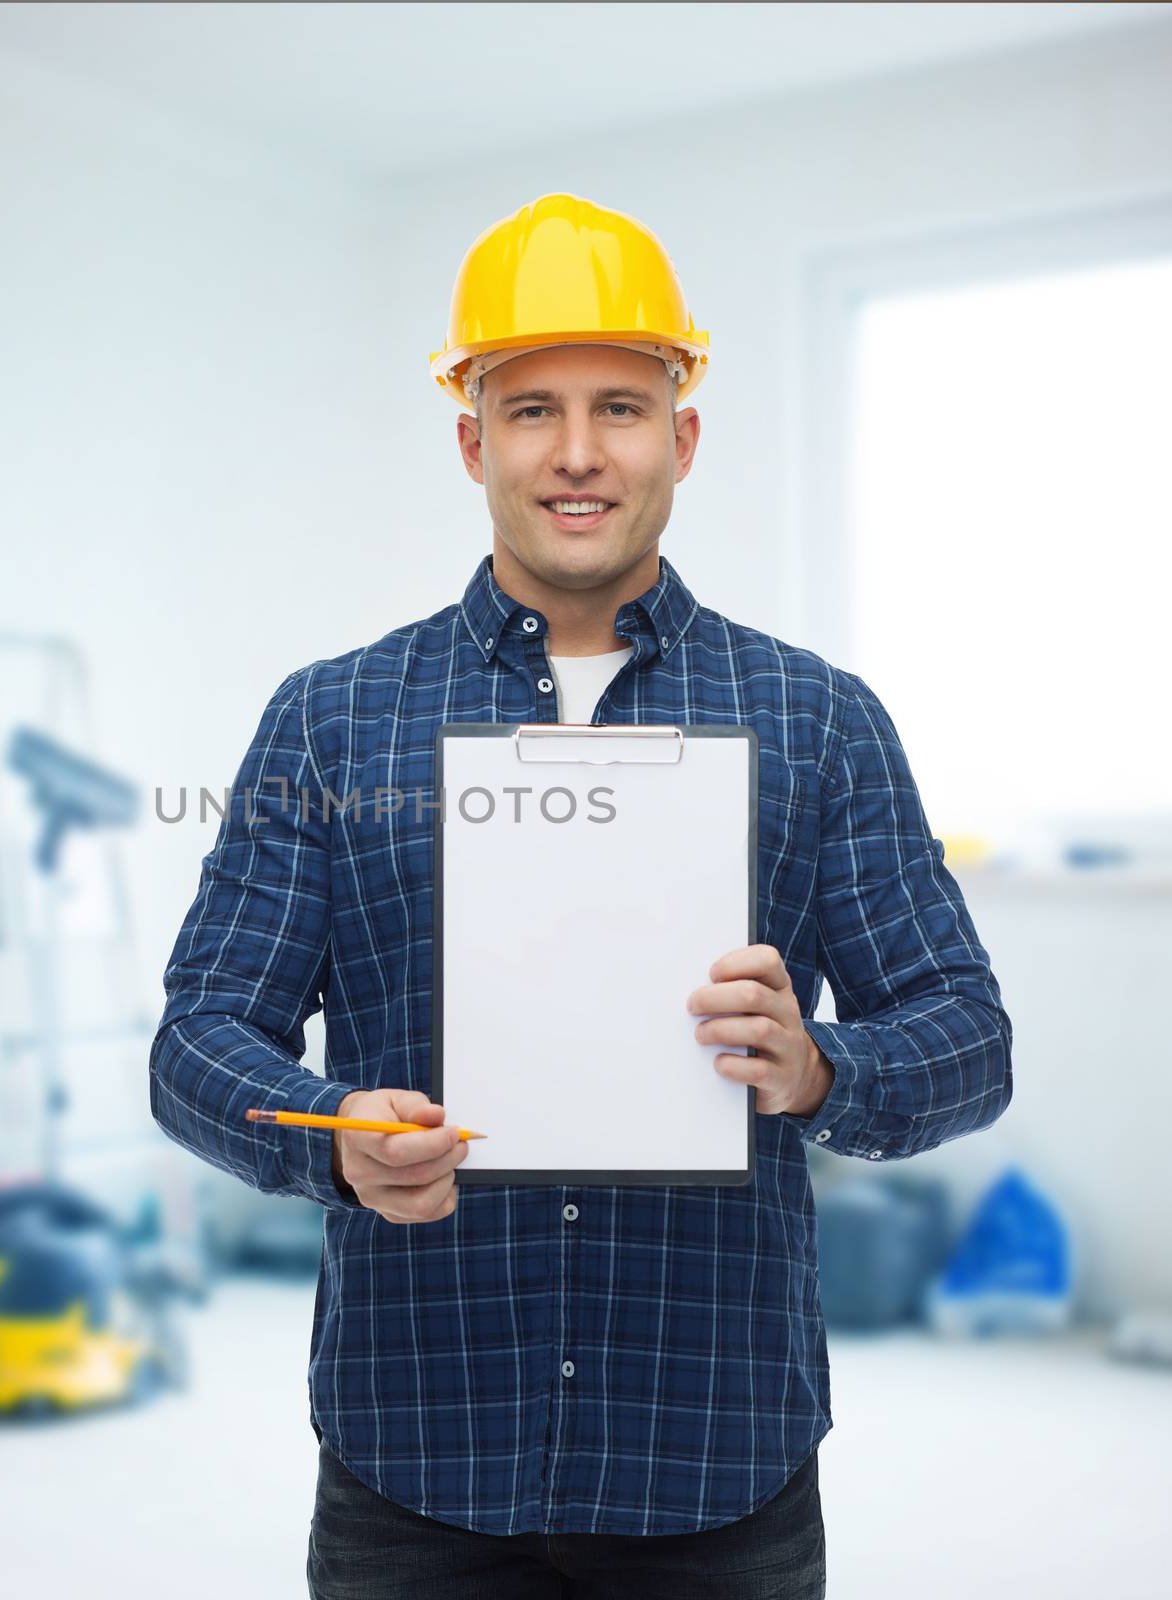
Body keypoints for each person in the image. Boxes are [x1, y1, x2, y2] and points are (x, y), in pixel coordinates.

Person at [149, 193, 1013, 1599]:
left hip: (718, 1465)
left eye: (620, 404)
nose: (576, 453)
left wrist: (817, 1067)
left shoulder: (819, 720)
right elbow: (196, 1044)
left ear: (682, 432)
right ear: (471, 436)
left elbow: (968, 1035)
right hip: (415, 1457)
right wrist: (331, 1139)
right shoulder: (332, 720)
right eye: (529, 404)